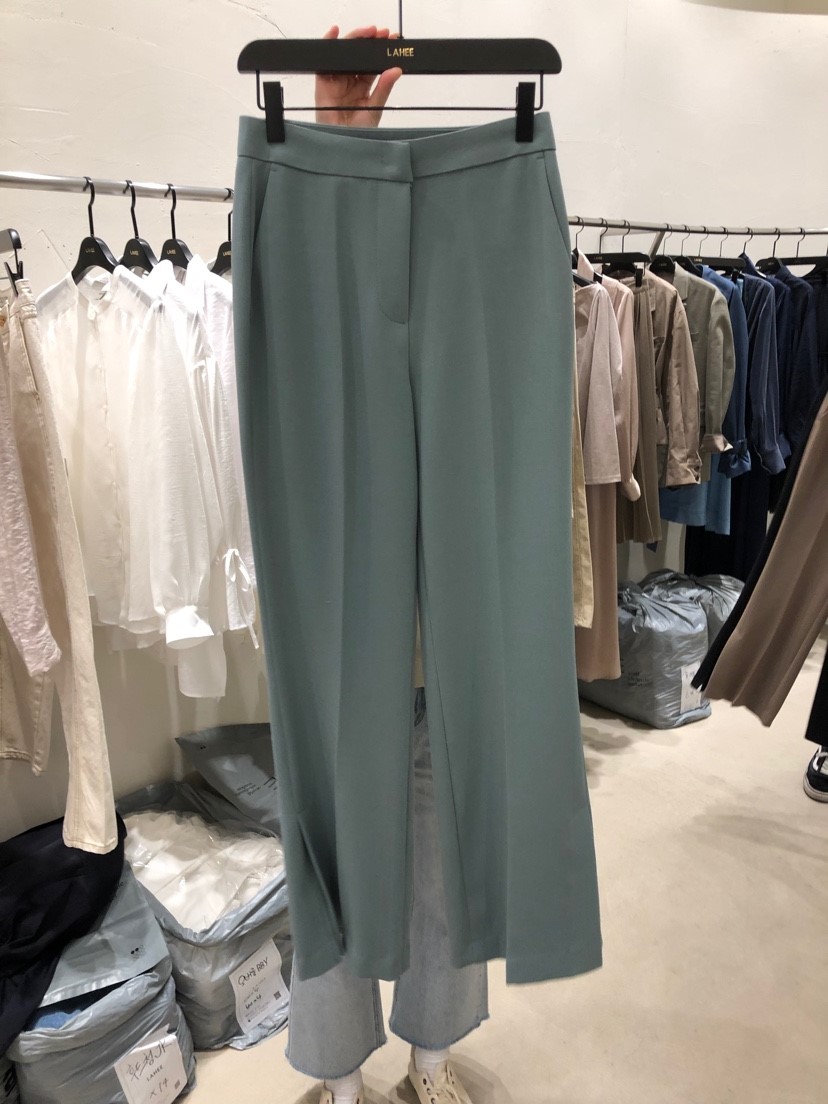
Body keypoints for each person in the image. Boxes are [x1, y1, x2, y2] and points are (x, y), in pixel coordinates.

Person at [287, 27, 485, 1104]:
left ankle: (430, 1059)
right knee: (328, 861)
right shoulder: (309, 292)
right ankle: (344, 1076)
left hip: (444, 645)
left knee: (444, 858)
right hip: (340, 645)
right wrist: (336, 142)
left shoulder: (477, 285)